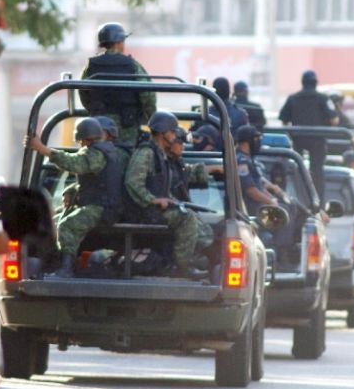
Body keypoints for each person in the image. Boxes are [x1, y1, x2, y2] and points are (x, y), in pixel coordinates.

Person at [25, 117, 124, 277]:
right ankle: (52, 263)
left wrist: (42, 149)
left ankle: (66, 269)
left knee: (67, 225)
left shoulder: (98, 153)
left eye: (81, 141)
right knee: (53, 221)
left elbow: (75, 164)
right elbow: (94, 181)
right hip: (97, 204)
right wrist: (72, 191)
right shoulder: (100, 150)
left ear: (84, 138)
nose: (80, 144)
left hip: (102, 208)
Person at [124, 111, 208, 278]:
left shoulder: (162, 155)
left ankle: (179, 262)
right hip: (145, 211)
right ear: (163, 133)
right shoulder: (147, 153)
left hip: (156, 209)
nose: (174, 135)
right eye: (172, 132)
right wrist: (153, 200)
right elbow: (132, 182)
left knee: (194, 219)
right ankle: (182, 268)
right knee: (188, 219)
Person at [79, 22, 156, 145]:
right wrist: (151, 119)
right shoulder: (133, 65)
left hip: (99, 126)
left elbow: (83, 93)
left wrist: (94, 111)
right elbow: (147, 96)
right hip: (127, 127)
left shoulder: (91, 66)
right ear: (119, 42)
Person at [278, 70, 338, 206]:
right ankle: (318, 204)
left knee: (298, 171)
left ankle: (300, 201)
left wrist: (292, 134)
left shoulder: (293, 98)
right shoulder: (323, 98)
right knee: (317, 171)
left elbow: (284, 120)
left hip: (298, 138)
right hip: (318, 139)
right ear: (316, 82)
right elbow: (334, 120)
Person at [234, 126, 282, 215]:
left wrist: (272, 199)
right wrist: (270, 202)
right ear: (248, 140)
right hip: (250, 212)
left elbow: (259, 185)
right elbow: (250, 190)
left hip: (257, 209)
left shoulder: (249, 159)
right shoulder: (241, 161)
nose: (258, 141)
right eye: (256, 138)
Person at [167, 127, 223, 202]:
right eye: (180, 143)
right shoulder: (163, 161)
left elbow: (185, 173)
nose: (183, 147)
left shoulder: (177, 161)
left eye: (198, 137)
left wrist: (214, 168)